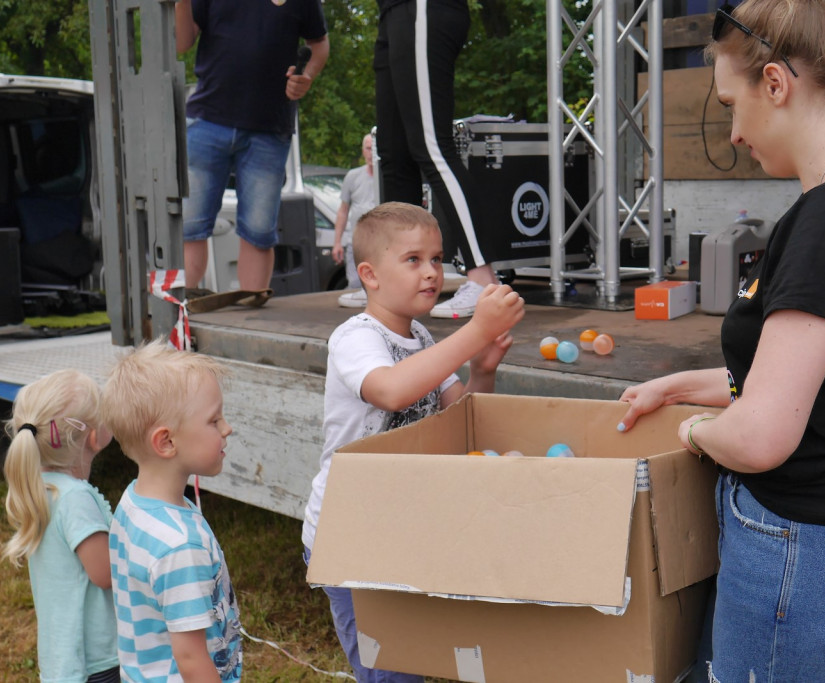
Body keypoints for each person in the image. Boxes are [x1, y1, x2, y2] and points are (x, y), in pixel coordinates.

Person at [618, 1, 825, 680]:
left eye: (731, 105)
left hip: (800, 558)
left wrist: (693, 431)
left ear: (775, 83)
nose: (734, 133)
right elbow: (810, 381)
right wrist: (675, 387)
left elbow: (762, 433)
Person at [301, 202, 524, 682]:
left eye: (437, 259)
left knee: (412, 659)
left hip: (400, 528)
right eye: (413, 260)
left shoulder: (421, 336)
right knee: (387, 669)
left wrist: (482, 370)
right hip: (350, 538)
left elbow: (459, 419)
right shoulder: (355, 337)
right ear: (369, 275)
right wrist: (476, 331)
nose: (431, 272)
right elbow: (391, 390)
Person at [102, 341, 241, 682]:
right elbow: (191, 658)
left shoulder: (134, 500)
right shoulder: (180, 546)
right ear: (166, 442)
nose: (227, 428)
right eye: (214, 420)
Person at [174, 0, 330, 292]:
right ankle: (181, 310)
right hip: (207, 120)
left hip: (269, 128)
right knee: (190, 227)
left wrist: (307, 75)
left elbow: (319, 43)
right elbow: (182, 43)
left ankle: (252, 308)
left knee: (259, 232)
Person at [374, 0, 499, 319]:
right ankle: (400, 282)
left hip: (422, 7)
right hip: (391, 12)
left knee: (432, 146)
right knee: (394, 154)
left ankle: (483, 278)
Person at [2, 369, 120, 683]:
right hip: (96, 661)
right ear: (94, 436)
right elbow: (105, 573)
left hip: (62, 658)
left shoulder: (41, 487)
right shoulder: (75, 499)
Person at [336, 134, 378, 308]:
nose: (371, 152)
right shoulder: (353, 176)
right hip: (355, 239)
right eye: (368, 148)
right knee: (354, 283)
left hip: (379, 241)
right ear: (363, 151)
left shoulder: (385, 177)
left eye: (374, 148)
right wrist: (337, 242)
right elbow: (343, 210)